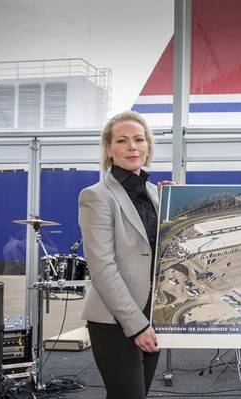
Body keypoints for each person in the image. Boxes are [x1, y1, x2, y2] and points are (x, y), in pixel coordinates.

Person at [79, 111, 166, 398]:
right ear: (108, 149)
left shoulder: (156, 194)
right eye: (123, 140)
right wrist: (137, 325)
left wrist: (174, 207)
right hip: (115, 318)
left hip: (152, 311)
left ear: (148, 147)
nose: (133, 146)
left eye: (139, 139)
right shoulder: (96, 196)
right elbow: (102, 268)